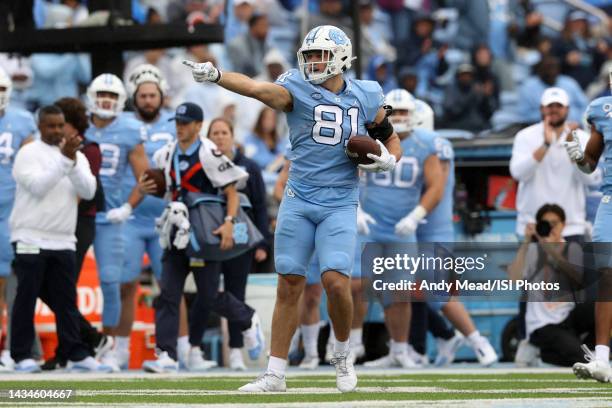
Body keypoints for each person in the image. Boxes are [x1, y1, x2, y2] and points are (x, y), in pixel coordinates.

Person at [183, 24, 402, 392]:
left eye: (321, 55)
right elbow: (256, 88)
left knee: (335, 281)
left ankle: (342, 353)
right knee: (289, 284)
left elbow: (390, 138)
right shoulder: (296, 88)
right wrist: (218, 76)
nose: (314, 62)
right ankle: (275, 373)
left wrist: (388, 160)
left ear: (342, 57)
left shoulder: (366, 95)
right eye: (310, 55)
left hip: (340, 201)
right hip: (299, 199)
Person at [139, 102, 264, 373]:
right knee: (168, 293)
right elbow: (164, 189)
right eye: (178, 122)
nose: (180, 127)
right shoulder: (166, 153)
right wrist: (143, 189)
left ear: (198, 126)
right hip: (175, 231)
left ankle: (247, 317)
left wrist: (229, 223)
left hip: (202, 233)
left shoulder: (210, 153)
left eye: (185, 123)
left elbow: (231, 192)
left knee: (208, 296)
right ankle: (167, 355)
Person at [9, 105, 109, 373]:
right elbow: (39, 187)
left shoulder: (74, 155)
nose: (56, 131)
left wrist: (72, 162)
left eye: (59, 125)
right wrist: (66, 160)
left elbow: (88, 191)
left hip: (64, 238)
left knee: (66, 300)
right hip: (29, 235)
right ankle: (20, 355)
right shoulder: (27, 153)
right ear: (40, 126)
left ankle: (76, 353)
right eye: (50, 126)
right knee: (26, 296)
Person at [360, 88, 444, 369]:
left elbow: (436, 186)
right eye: (393, 112)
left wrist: (416, 215)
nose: (399, 117)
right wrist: (356, 210)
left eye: (404, 112)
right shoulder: (369, 138)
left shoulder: (425, 144)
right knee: (357, 285)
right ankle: (350, 346)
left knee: (399, 291)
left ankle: (399, 350)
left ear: (415, 114)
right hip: (368, 224)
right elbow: (351, 174)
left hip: (401, 228)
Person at [113, 64, 181, 370]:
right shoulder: (123, 123)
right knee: (125, 285)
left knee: (171, 288)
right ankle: (120, 349)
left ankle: (181, 349)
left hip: (165, 217)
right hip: (132, 218)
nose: (149, 100)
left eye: (153, 95)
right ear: (134, 97)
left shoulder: (174, 123)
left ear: (161, 95)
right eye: (143, 95)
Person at [84, 73, 150, 371]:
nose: (106, 101)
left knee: (111, 282)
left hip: (109, 217)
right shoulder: (78, 124)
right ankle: (74, 346)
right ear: (91, 97)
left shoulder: (129, 129)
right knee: (60, 282)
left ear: (121, 100)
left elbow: (146, 178)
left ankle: (108, 346)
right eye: (101, 95)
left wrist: (126, 206)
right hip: (73, 216)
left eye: (111, 96)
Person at [41, 97, 112, 371]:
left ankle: (69, 350)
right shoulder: (55, 150)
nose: (58, 130)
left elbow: (82, 193)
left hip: (80, 222)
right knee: (51, 287)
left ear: (73, 125)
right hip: (60, 222)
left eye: (63, 124)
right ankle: (87, 338)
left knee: (62, 287)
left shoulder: (89, 149)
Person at [202, 117, 271, 370]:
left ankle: (234, 350)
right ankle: (195, 349)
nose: (220, 137)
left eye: (224, 132)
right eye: (215, 133)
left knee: (236, 291)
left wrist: (262, 242)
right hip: (210, 232)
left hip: (241, 231)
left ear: (232, 136)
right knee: (206, 290)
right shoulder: (203, 164)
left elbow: (261, 206)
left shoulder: (249, 167)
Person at [564, 70, 612, 382]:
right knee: (607, 275)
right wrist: (579, 157)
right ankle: (603, 358)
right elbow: (591, 162)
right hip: (611, 199)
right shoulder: (602, 109)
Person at [510, 87, 600, 243]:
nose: (554, 110)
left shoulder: (581, 138)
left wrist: (573, 149)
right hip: (534, 225)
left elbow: (592, 180)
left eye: (559, 106)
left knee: (571, 268)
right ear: (541, 109)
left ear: (567, 109)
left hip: (571, 225)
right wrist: (545, 145)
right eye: (550, 106)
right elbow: (518, 174)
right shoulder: (525, 136)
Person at [508, 204, 592, 367]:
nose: (552, 228)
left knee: (601, 304)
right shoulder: (532, 249)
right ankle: (543, 351)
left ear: (564, 225)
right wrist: (526, 242)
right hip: (543, 324)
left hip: (568, 317)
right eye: (547, 224)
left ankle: (590, 348)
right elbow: (514, 279)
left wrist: (551, 249)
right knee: (583, 361)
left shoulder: (572, 248)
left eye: (555, 223)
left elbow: (577, 280)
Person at [0, 67, 35, 371]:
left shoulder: (23, 120)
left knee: (16, 282)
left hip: (14, 209)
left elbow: (33, 164)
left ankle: (16, 348)